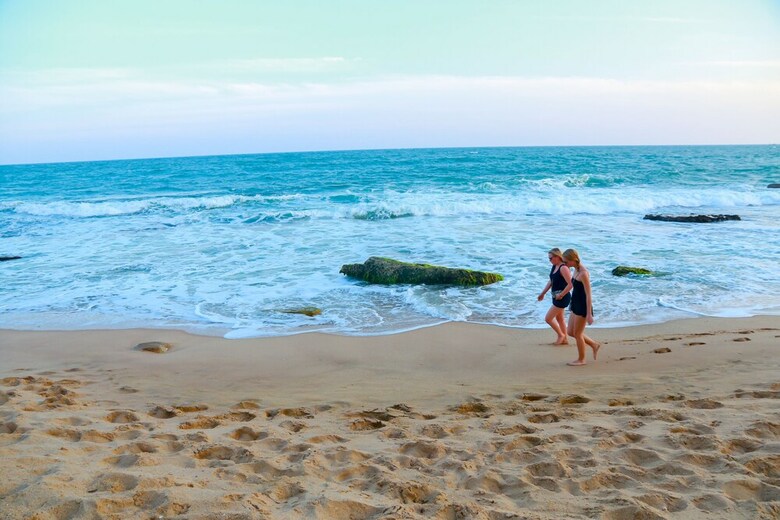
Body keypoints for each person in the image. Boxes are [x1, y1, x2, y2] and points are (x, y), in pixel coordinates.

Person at [562, 248, 600, 365]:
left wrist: (589, 314)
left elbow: (588, 294)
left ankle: (582, 359)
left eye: (566, 262)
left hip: (583, 306)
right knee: (570, 332)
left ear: (573, 260)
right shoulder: (575, 270)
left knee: (577, 334)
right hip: (575, 303)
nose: (565, 265)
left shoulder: (583, 273)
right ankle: (594, 344)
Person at [537, 248, 572, 345]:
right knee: (559, 319)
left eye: (551, 258)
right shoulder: (554, 266)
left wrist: (561, 295)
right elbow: (551, 281)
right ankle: (565, 340)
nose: (550, 260)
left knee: (548, 319)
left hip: (563, 298)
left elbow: (570, 284)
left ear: (557, 257)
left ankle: (561, 335)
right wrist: (543, 293)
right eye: (549, 259)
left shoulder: (563, 268)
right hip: (556, 297)